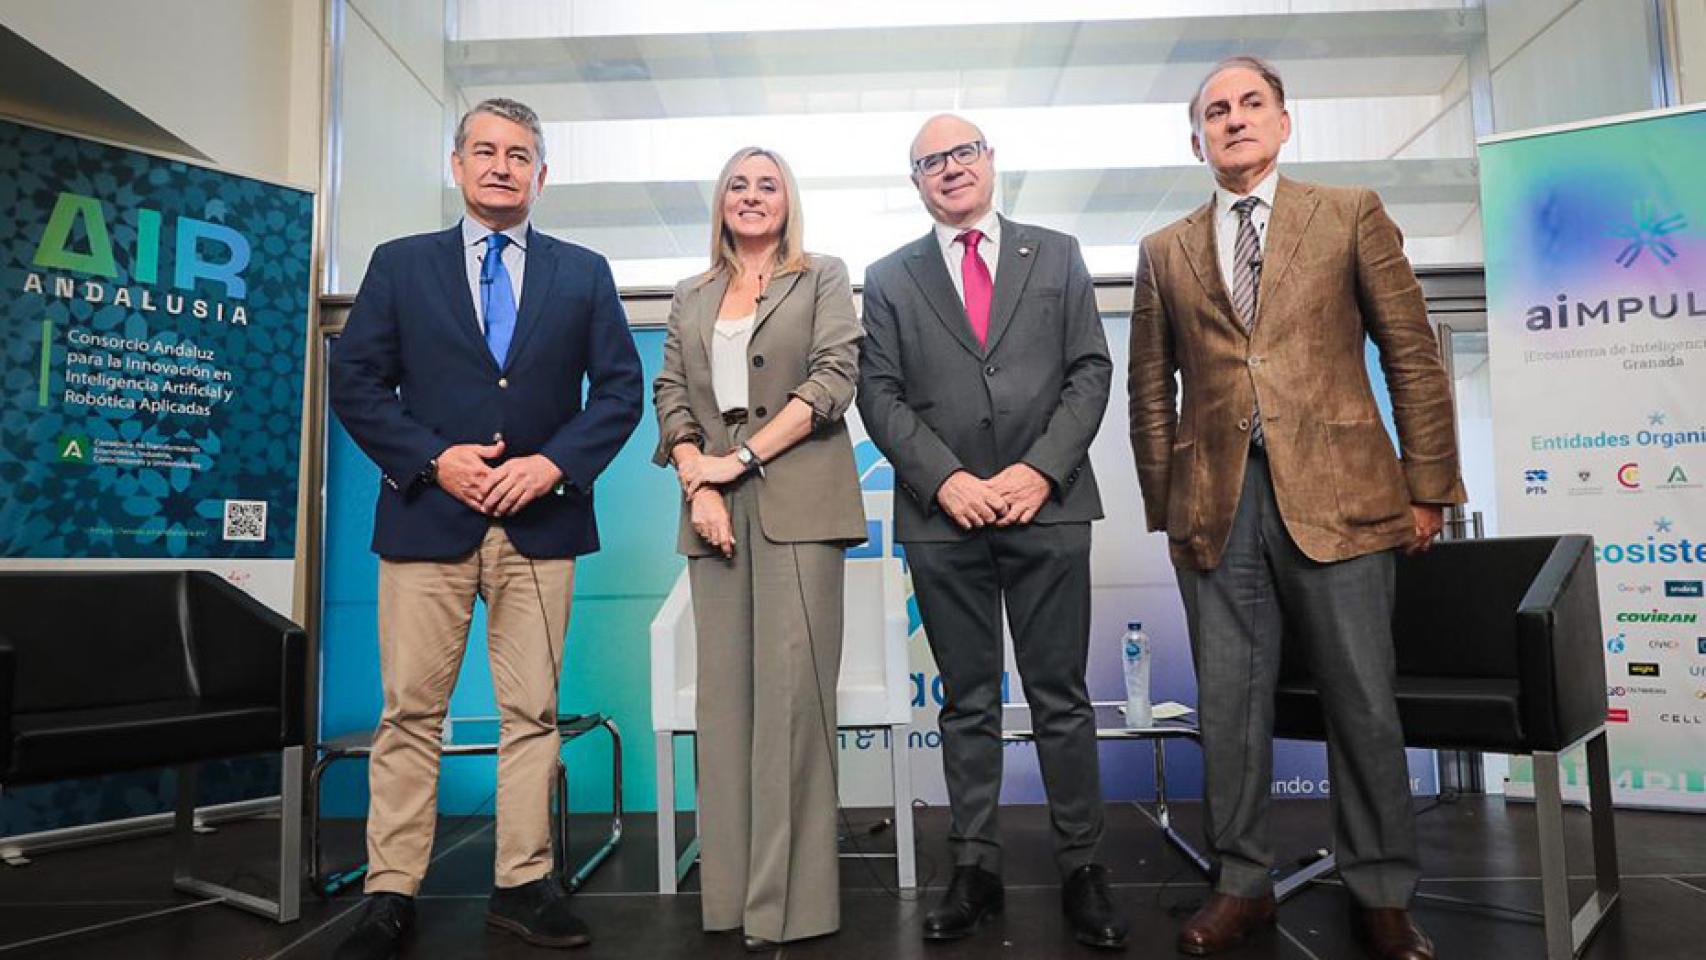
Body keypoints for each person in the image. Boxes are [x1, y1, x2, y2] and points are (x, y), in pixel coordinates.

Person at [1128, 56, 1465, 960]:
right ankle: (1243, 885)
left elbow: (1411, 352)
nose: (1233, 120)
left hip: (1347, 499)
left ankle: (1382, 894)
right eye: (1215, 111)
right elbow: (1149, 393)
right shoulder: (1164, 249)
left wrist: (1429, 484)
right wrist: (1168, 507)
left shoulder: (1347, 212)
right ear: (1194, 137)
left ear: (1284, 121)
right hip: (1217, 510)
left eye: (1251, 104)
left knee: (1364, 701)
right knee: (1230, 707)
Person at [327, 97, 644, 959]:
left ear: (542, 173)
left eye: (520, 154)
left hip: (541, 527)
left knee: (531, 714)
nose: (502, 166)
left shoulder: (582, 272)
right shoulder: (401, 264)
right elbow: (355, 381)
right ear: (458, 164)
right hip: (428, 521)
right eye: (485, 151)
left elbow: (619, 390)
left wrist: (553, 465)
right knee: (409, 716)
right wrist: (435, 461)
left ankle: (522, 883)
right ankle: (390, 895)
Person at [857, 114, 1127, 951]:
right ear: (916, 182)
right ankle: (973, 869)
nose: (949, 169)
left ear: (990, 161)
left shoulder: (1056, 252)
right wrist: (949, 482)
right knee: (967, 702)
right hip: (947, 521)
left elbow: (1090, 370)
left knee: (1060, 697)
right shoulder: (890, 276)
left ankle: (1083, 868)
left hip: (1049, 507)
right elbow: (880, 396)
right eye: (930, 161)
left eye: (962, 152)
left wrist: (1039, 470)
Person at [652, 146, 866, 951]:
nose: (751, 196)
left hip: (799, 503)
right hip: (711, 508)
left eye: (766, 184)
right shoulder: (691, 293)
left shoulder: (823, 275)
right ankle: (731, 901)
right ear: (720, 202)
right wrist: (697, 482)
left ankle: (794, 907)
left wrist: (737, 461)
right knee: (726, 708)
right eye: (737, 185)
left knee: (791, 706)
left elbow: (833, 379)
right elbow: (671, 392)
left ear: (788, 200)